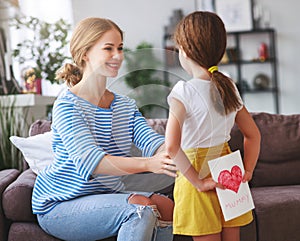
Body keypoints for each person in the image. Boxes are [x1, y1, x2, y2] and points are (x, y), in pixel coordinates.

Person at [32, 17, 177, 241]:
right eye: (108, 48)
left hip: (104, 196)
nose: (118, 56)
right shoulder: (68, 105)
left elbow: (151, 142)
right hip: (60, 205)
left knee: (166, 207)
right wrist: (149, 164)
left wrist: (172, 152)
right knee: (140, 210)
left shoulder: (124, 105)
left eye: (120, 48)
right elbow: (93, 162)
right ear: (85, 53)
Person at [165, 11, 261, 241]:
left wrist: (198, 182)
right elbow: (253, 134)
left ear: (185, 51)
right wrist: (247, 170)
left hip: (197, 171)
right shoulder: (228, 86)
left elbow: (171, 147)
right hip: (228, 168)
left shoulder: (183, 91)